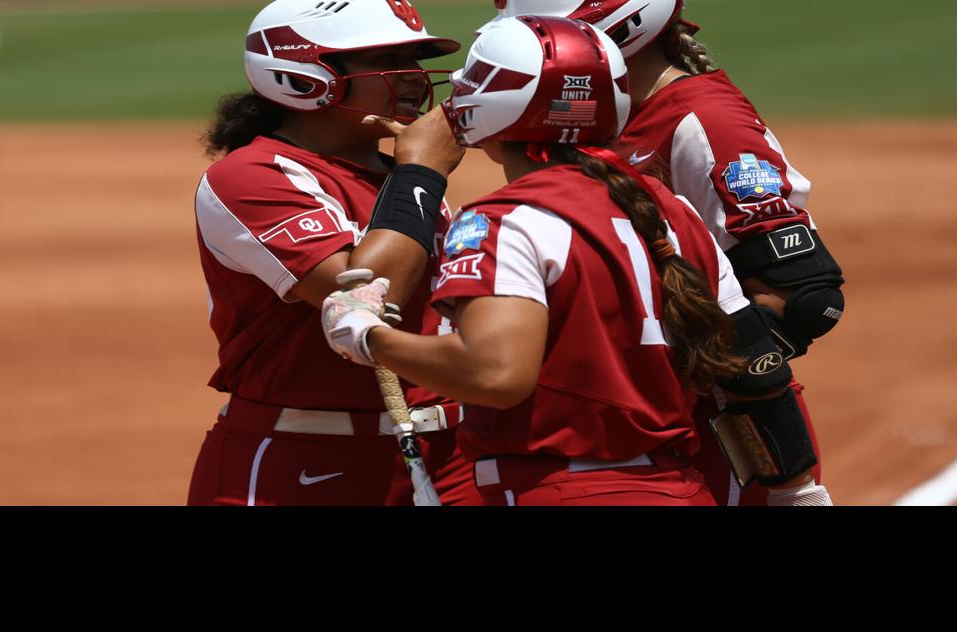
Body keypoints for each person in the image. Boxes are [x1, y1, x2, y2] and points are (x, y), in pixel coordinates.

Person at [319, 14, 745, 506]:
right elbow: (748, 359)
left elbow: (495, 374)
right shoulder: (669, 210)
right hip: (680, 489)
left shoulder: (503, 220)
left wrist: (370, 336)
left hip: (554, 490)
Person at [483, 0, 842, 507]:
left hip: (720, 424)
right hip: (639, 418)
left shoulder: (704, 118)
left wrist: (678, 376)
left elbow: (802, 295)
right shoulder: (600, 117)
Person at [186, 0, 477, 506]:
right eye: (385, 59)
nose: (412, 77)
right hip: (304, 464)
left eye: (414, 58)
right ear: (302, 77)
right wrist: (422, 173)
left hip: (440, 455)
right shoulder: (253, 176)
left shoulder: (399, 177)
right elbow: (366, 295)